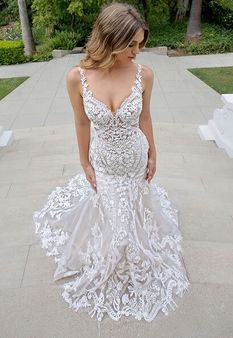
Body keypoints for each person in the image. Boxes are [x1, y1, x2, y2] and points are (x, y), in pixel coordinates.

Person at [33, 1, 190, 322]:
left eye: (140, 43)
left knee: (134, 214)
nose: (137, 50)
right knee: (116, 232)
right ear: (110, 39)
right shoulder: (76, 78)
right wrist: (84, 162)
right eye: (130, 44)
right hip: (103, 162)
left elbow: (145, 117)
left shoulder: (144, 75)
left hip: (134, 157)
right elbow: (81, 122)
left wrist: (154, 152)